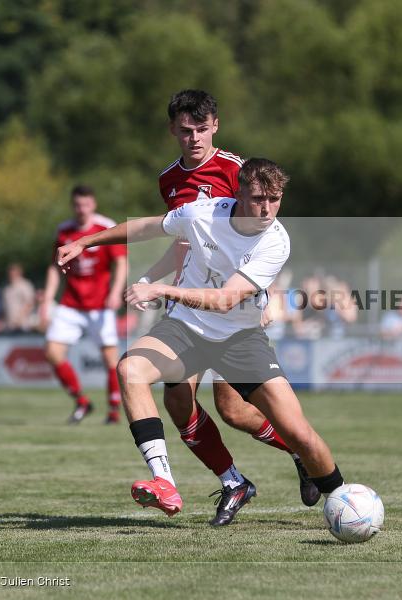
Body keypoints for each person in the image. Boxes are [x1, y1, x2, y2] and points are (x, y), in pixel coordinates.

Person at [56, 158, 346, 524]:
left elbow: (226, 300)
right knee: (132, 370)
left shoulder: (275, 241)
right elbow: (148, 227)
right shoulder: (202, 213)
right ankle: (166, 482)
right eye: (258, 198)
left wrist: (161, 288)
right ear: (237, 193)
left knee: (297, 432)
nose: (267, 208)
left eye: (275, 199)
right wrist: (86, 242)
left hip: (240, 337)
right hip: (186, 330)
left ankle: (342, 496)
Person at [135, 90, 319, 518]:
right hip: (190, 305)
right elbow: (184, 241)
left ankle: (301, 452)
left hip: (235, 308)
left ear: (215, 125)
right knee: (178, 401)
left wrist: (262, 296)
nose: (194, 138)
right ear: (173, 131)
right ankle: (234, 482)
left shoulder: (237, 169)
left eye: (201, 129)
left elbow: (264, 235)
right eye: (186, 131)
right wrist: (150, 278)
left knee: (234, 410)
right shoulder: (169, 180)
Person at [40, 185, 128, 424]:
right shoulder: (64, 231)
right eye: (78, 205)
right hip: (71, 304)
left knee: (111, 358)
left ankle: (113, 410)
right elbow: (54, 267)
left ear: (94, 204)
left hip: (100, 305)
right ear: (73, 206)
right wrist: (47, 300)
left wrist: (115, 292)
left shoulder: (105, 227)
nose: (82, 209)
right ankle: (81, 401)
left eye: (86, 204)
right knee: (52, 352)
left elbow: (121, 262)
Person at [2, 263, 36, 332]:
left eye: (14, 272)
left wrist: (19, 319)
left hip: (23, 326)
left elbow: (30, 303)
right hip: (10, 326)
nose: (12, 274)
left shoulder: (25, 285)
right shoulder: (7, 289)